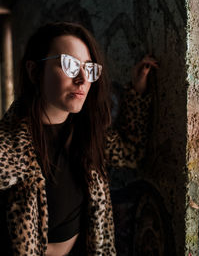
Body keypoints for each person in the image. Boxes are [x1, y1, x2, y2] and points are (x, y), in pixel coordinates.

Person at [0, 22, 158, 256]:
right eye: (70, 65)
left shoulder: (89, 135)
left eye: (89, 68)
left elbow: (131, 153)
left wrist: (136, 93)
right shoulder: (7, 147)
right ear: (34, 72)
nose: (83, 79)